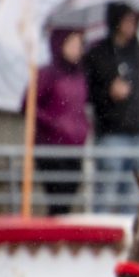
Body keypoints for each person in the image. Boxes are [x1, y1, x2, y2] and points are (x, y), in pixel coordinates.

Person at [84, 2, 139, 213]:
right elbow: (86, 93)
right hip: (112, 135)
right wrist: (108, 94)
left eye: (134, 21)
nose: (131, 26)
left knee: (133, 194)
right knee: (107, 191)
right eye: (126, 20)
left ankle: (130, 237)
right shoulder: (99, 53)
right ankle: (100, 238)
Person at [28, 28, 89, 215]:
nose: (76, 49)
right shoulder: (47, 74)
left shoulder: (79, 75)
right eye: (72, 44)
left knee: (69, 197)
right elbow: (29, 106)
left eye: (79, 45)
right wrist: (53, 123)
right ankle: (54, 238)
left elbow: (79, 107)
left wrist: (83, 126)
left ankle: (61, 237)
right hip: (52, 146)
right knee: (58, 198)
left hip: (74, 147)